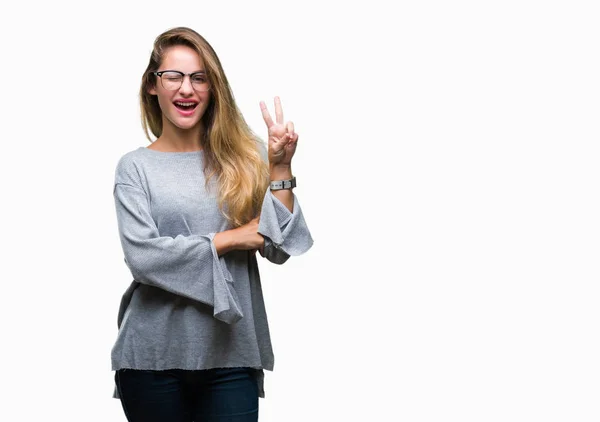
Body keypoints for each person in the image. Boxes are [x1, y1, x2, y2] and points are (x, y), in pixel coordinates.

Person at [110, 26, 313, 422]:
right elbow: (144, 258)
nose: (187, 88)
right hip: (152, 357)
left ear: (213, 87)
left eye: (199, 78)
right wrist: (230, 238)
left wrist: (281, 169)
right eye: (174, 76)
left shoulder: (247, 156)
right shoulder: (135, 167)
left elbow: (279, 246)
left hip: (232, 352)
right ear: (153, 86)